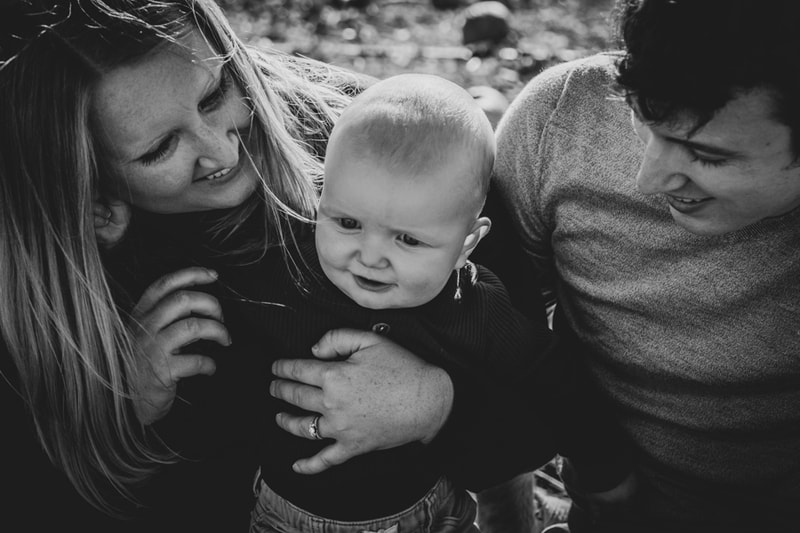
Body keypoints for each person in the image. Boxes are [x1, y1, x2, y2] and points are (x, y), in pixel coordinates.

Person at [0, 1, 452, 530]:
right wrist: (116, 414)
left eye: (214, 95)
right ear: (82, 180)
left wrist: (439, 403)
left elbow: (540, 406)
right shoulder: (36, 290)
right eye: (161, 148)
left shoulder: (364, 139)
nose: (221, 151)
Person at [219, 73, 631, 533]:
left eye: (409, 239)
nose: (370, 256)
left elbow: (554, 377)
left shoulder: (474, 307)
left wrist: (605, 469)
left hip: (431, 513)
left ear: (465, 246)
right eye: (348, 222)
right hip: (284, 515)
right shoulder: (281, 273)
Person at [484, 0, 800, 531]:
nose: (648, 180)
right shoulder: (559, 118)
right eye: (640, 116)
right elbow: (491, 321)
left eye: (707, 155)